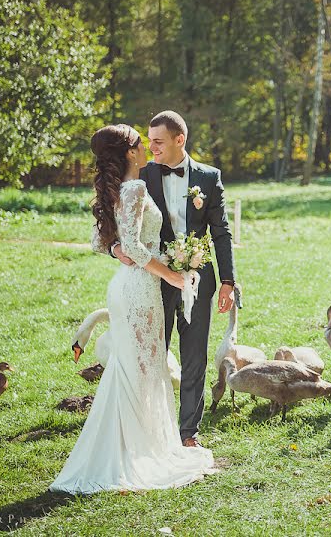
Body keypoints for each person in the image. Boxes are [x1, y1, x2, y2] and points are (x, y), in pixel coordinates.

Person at [50, 124, 216, 494]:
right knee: (144, 368)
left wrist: (115, 250)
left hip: (126, 288)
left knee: (137, 368)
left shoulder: (116, 189)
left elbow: (100, 240)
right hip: (140, 289)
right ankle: (136, 455)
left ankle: (136, 447)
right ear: (128, 152)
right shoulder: (136, 188)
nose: (146, 148)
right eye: (141, 144)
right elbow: (138, 251)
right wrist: (173, 277)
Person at [111, 110, 237, 447]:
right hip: (154, 278)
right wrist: (113, 246)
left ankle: (188, 434)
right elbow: (113, 217)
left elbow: (221, 232)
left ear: (179, 140)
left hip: (200, 278)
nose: (151, 148)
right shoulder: (142, 175)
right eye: (148, 141)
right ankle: (149, 428)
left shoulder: (209, 178)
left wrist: (228, 281)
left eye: (158, 142)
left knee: (195, 355)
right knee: (155, 353)